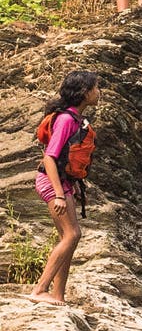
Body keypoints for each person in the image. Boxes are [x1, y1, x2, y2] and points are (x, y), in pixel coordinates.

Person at [30, 71, 99, 303]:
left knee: (67, 237)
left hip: (62, 182)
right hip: (51, 182)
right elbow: (49, 157)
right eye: (96, 88)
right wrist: (60, 193)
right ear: (84, 93)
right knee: (72, 234)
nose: (99, 92)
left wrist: (72, 186)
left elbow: (65, 159)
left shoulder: (76, 119)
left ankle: (58, 296)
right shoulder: (66, 119)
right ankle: (39, 290)